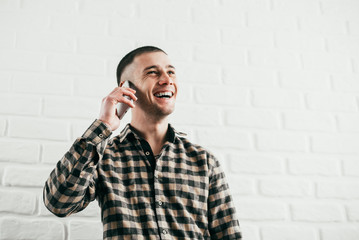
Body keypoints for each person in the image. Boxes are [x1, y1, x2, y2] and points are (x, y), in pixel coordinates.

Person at [43, 46, 242, 239]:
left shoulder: (204, 161)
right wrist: (103, 125)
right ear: (126, 89)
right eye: (153, 73)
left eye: (171, 72)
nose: (167, 80)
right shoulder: (103, 156)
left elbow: (228, 235)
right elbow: (58, 203)